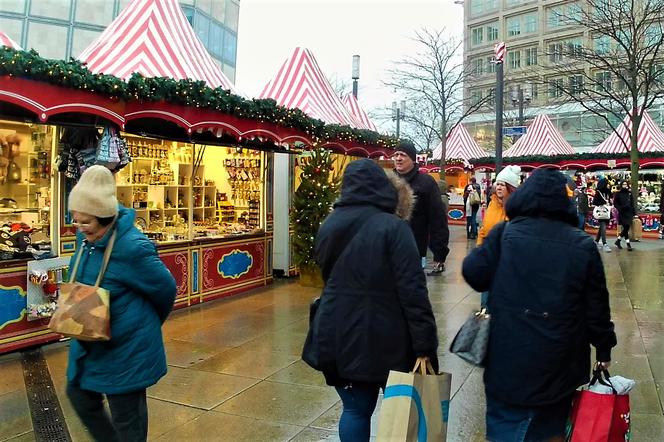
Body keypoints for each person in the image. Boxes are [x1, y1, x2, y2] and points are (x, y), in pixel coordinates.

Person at [462, 169, 617, 442]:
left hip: (507, 356)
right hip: (560, 362)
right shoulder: (582, 245)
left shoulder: (505, 234)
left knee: (504, 425)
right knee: (549, 429)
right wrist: (603, 348)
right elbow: (597, 308)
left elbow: (474, 274)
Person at [302, 159, 439, 442]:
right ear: (382, 187)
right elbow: (413, 291)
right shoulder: (394, 227)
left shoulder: (329, 225)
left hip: (337, 331)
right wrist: (425, 344)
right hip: (386, 336)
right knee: (401, 408)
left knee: (354, 409)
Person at [65, 166, 177, 442]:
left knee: (128, 419)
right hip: (90, 340)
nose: (79, 228)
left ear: (105, 218)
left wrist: (142, 325)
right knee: (78, 394)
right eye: (76, 220)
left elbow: (165, 290)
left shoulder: (132, 247)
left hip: (127, 347)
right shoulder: (86, 239)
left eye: (85, 222)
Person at [392, 143, 449, 274]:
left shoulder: (426, 183)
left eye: (403, 155)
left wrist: (439, 252)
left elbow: (437, 219)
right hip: (387, 245)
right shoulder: (386, 181)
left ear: (412, 159)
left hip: (414, 248)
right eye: (396, 155)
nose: (398, 158)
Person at [476, 165, 521, 309]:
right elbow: (484, 229)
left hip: (507, 262)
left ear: (511, 187)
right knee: (485, 302)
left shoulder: (518, 208)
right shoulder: (492, 204)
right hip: (489, 260)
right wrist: (479, 248)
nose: (499, 187)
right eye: (498, 184)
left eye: (503, 184)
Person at [613, 180, 636, 251]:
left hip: (629, 213)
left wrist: (635, 213)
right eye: (623, 184)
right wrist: (619, 209)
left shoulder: (629, 193)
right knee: (625, 228)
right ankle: (628, 245)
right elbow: (615, 203)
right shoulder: (618, 193)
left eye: (626, 184)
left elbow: (632, 203)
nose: (625, 185)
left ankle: (618, 240)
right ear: (621, 185)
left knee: (626, 227)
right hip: (622, 212)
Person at [593, 178, 612, 252]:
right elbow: (595, 202)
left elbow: (610, 198)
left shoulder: (608, 191)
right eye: (607, 183)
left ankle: (596, 241)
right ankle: (605, 243)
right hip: (601, 212)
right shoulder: (598, 192)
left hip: (606, 211)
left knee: (602, 227)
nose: (608, 185)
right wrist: (603, 202)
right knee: (603, 226)